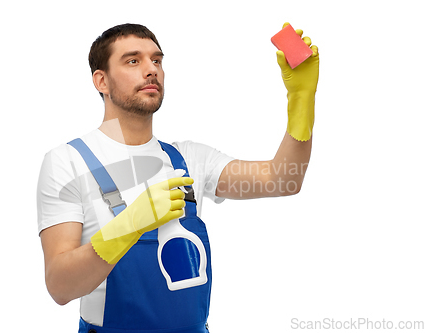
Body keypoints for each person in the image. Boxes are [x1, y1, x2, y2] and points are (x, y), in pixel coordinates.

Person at [37, 23, 319, 332]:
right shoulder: (68, 161)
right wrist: (128, 226)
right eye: (133, 61)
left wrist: (301, 100)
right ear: (101, 80)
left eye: (156, 60)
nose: (151, 70)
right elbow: (60, 287)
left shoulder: (189, 159)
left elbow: (282, 180)